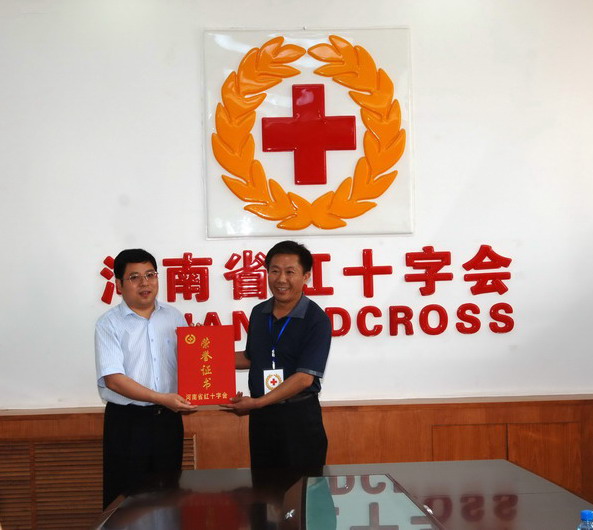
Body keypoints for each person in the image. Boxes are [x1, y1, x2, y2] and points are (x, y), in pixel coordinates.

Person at [95, 248, 198, 509]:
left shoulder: (174, 317)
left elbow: (192, 365)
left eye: (150, 275)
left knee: (168, 495)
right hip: (128, 423)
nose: (145, 283)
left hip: (168, 421)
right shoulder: (109, 323)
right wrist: (161, 398)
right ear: (119, 285)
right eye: (135, 277)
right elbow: (113, 379)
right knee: (127, 499)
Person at [222, 240, 332, 476]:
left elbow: (304, 378)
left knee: (303, 492)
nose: (281, 279)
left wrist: (257, 403)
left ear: (306, 276)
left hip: (299, 419)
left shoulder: (317, 319)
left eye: (290, 272)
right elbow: (251, 358)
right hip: (262, 420)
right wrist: (202, 356)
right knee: (264, 489)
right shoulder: (259, 313)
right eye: (274, 271)